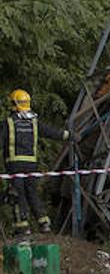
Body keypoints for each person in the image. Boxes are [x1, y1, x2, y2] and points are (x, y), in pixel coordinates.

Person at [2, 89, 68, 235]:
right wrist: (69, 135)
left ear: (13, 104)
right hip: (31, 165)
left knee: (17, 195)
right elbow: (52, 132)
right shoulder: (34, 122)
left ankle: (22, 227)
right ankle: (44, 223)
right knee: (32, 193)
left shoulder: (8, 123)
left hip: (15, 166)